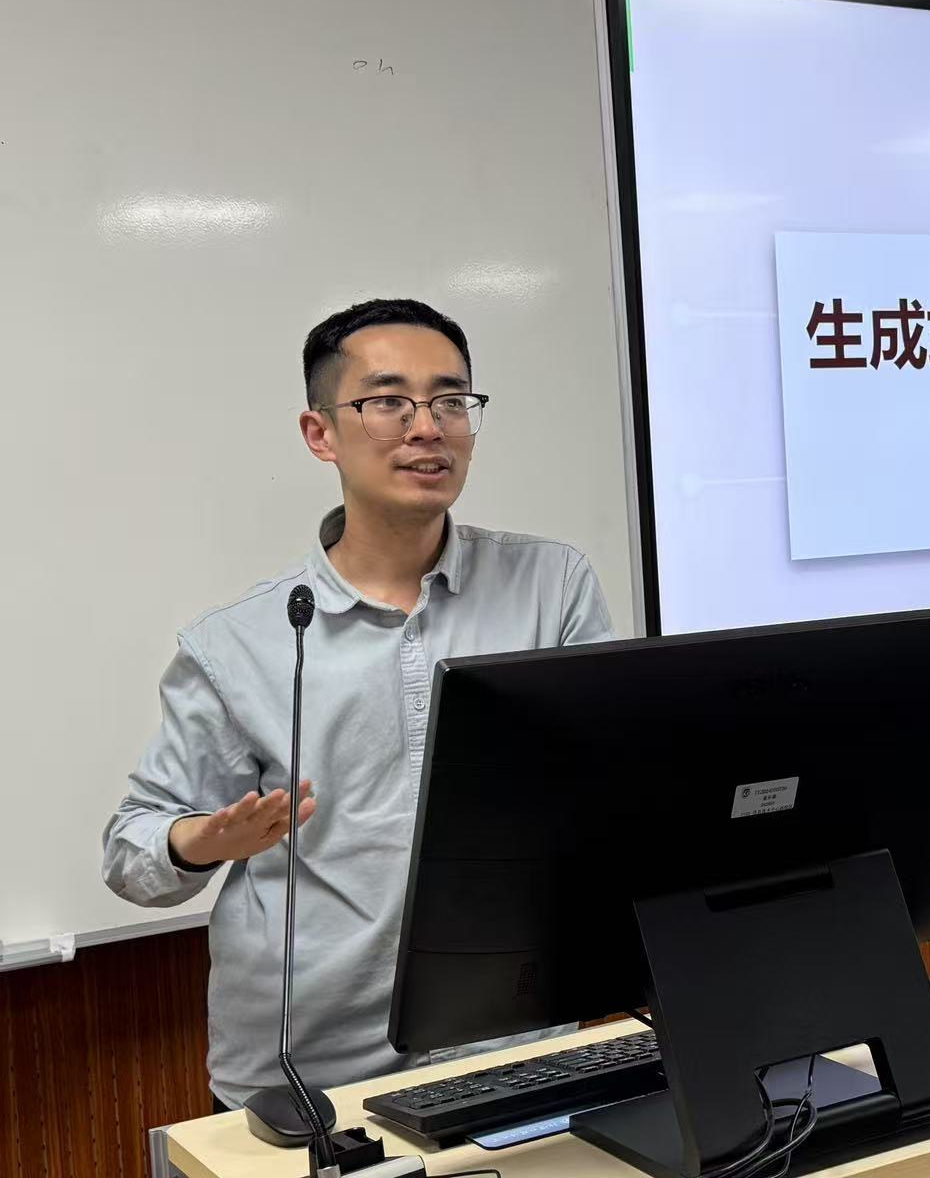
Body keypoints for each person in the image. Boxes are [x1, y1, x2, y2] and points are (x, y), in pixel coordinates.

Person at [102, 298, 614, 1112]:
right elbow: (131, 852)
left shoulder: (550, 587)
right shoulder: (240, 642)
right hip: (311, 1069)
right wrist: (199, 840)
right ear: (321, 433)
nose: (427, 428)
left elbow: (606, 781)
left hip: (512, 1034)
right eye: (388, 402)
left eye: (451, 401)